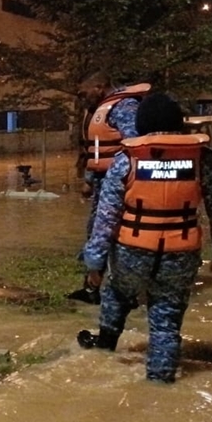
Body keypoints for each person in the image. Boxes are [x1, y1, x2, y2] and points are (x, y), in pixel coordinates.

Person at [77, 92, 212, 383]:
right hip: (180, 254)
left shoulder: (127, 160)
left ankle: (105, 348)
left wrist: (94, 263)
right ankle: (160, 381)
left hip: (131, 252)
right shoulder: (202, 159)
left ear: (141, 125)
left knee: (116, 294)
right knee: (166, 317)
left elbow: (106, 217)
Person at [68, 71, 149, 304]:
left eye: (85, 94)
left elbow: (135, 147)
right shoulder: (102, 111)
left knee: (120, 237)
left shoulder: (124, 107)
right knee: (97, 232)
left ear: (100, 87)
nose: (83, 99)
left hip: (122, 184)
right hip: (104, 181)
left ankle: (129, 292)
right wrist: (89, 180)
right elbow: (96, 151)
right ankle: (92, 288)